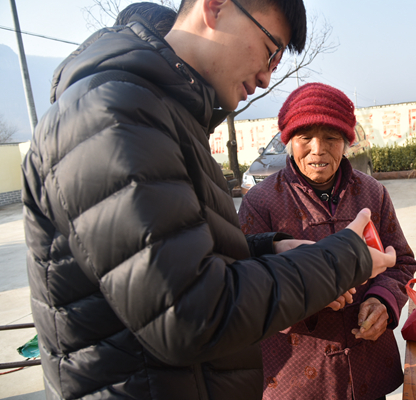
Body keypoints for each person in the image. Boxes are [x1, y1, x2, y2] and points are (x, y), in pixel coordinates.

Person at [21, 2, 396, 399]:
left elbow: (170, 260)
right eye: (270, 49)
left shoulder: (162, 113)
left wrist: (264, 251)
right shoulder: (113, 115)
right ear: (215, 7)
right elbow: (188, 314)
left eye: (278, 59)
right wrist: (341, 259)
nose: (268, 76)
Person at [238, 82, 416, 400]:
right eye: (305, 137)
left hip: (367, 364)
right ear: (289, 141)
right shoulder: (262, 201)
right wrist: (306, 293)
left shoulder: (372, 192)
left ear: (346, 142)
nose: (318, 149)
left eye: (331, 138)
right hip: (298, 375)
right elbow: (242, 282)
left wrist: (383, 302)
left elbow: (402, 261)